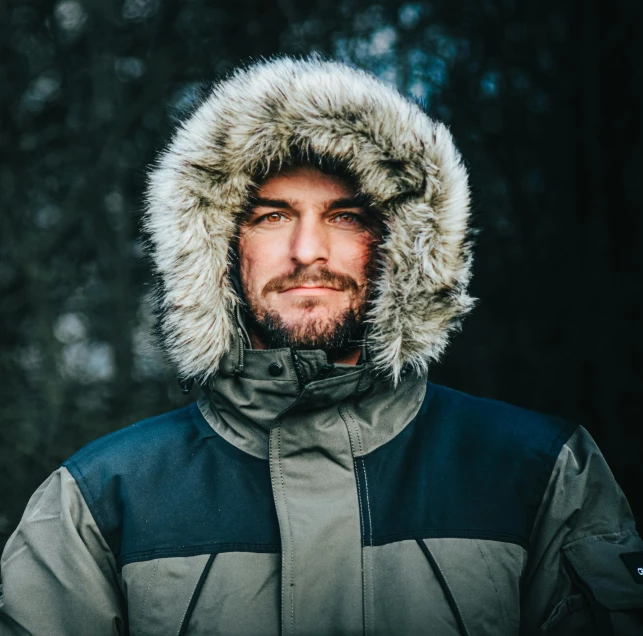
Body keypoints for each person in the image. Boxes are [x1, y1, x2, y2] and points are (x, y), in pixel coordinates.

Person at [1, 55, 642, 636]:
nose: (308, 251)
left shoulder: (541, 472)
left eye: (346, 216)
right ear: (220, 246)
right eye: (272, 216)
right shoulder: (100, 499)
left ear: (402, 243)